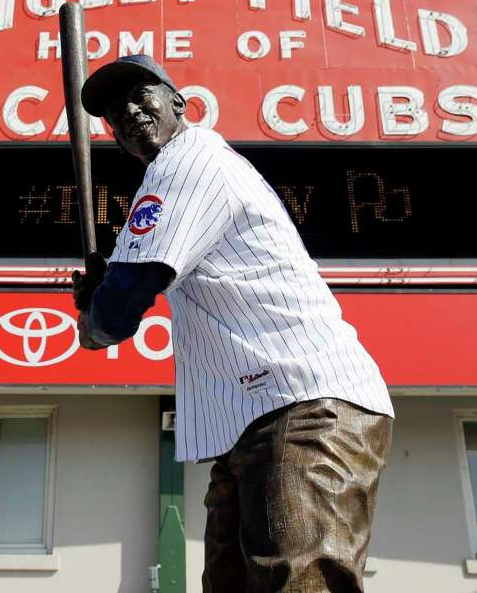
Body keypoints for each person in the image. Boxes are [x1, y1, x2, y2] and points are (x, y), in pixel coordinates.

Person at [72, 54, 393, 593]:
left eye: (139, 95)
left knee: (297, 585)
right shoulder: (184, 169)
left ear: (178, 102)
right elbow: (126, 285)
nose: (126, 111)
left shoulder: (186, 163)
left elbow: (123, 301)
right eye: (111, 111)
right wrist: (105, 295)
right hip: (257, 420)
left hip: (304, 406)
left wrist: (94, 316)